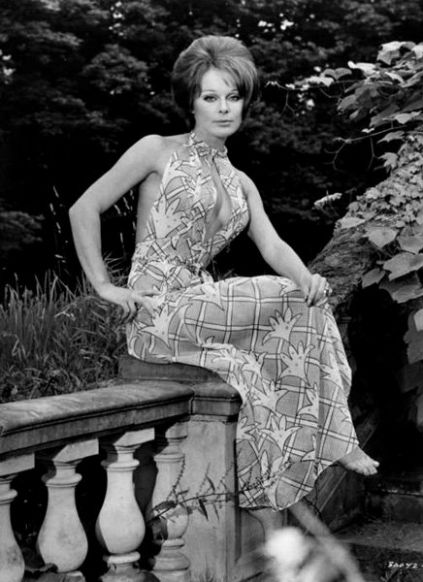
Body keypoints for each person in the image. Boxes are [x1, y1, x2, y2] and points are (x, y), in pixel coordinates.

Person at [69, 34, 378, 532]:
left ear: (244, 101)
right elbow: (84, 207)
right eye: (210, 96)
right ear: (191, 101)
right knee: (288, 297)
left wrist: (309, 277)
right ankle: (337, 435)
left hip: (197, 303)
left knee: (274, 343)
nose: (223, 107)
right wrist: (104, 285)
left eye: (233, 96)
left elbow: (272, 246)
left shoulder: (241, 182)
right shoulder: (156, 150)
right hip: (156, 309)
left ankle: (268, 492)